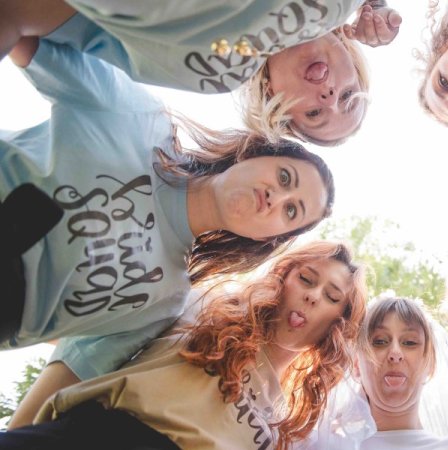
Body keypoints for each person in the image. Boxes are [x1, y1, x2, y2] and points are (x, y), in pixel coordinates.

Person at [1, 36, 336, 427]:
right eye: (284, 176)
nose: (276, 197)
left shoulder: (164, 301)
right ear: (256, 153)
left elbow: (70, 374)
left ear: (267, 239)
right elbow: (27, 32)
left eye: (291, 210)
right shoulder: (138, 118)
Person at [0, 240, 368, 450]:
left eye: (331, 295)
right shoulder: (203, 306)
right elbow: (86, 350)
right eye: (306, 279)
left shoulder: (287, 421)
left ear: (339, 321)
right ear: (282, 277)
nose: (312, 296)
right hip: (99, 435)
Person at [0, 0, 403, 146]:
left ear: (272, 98)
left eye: (314, 114)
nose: (330, 98)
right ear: (353, 58)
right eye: (348, 96)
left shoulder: (218, 69)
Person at [303, 296, 448, 450]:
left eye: (410, 342)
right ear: (357, 366)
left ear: (431, 364)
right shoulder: (320, 446)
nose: (395, 354)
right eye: (380, 341)